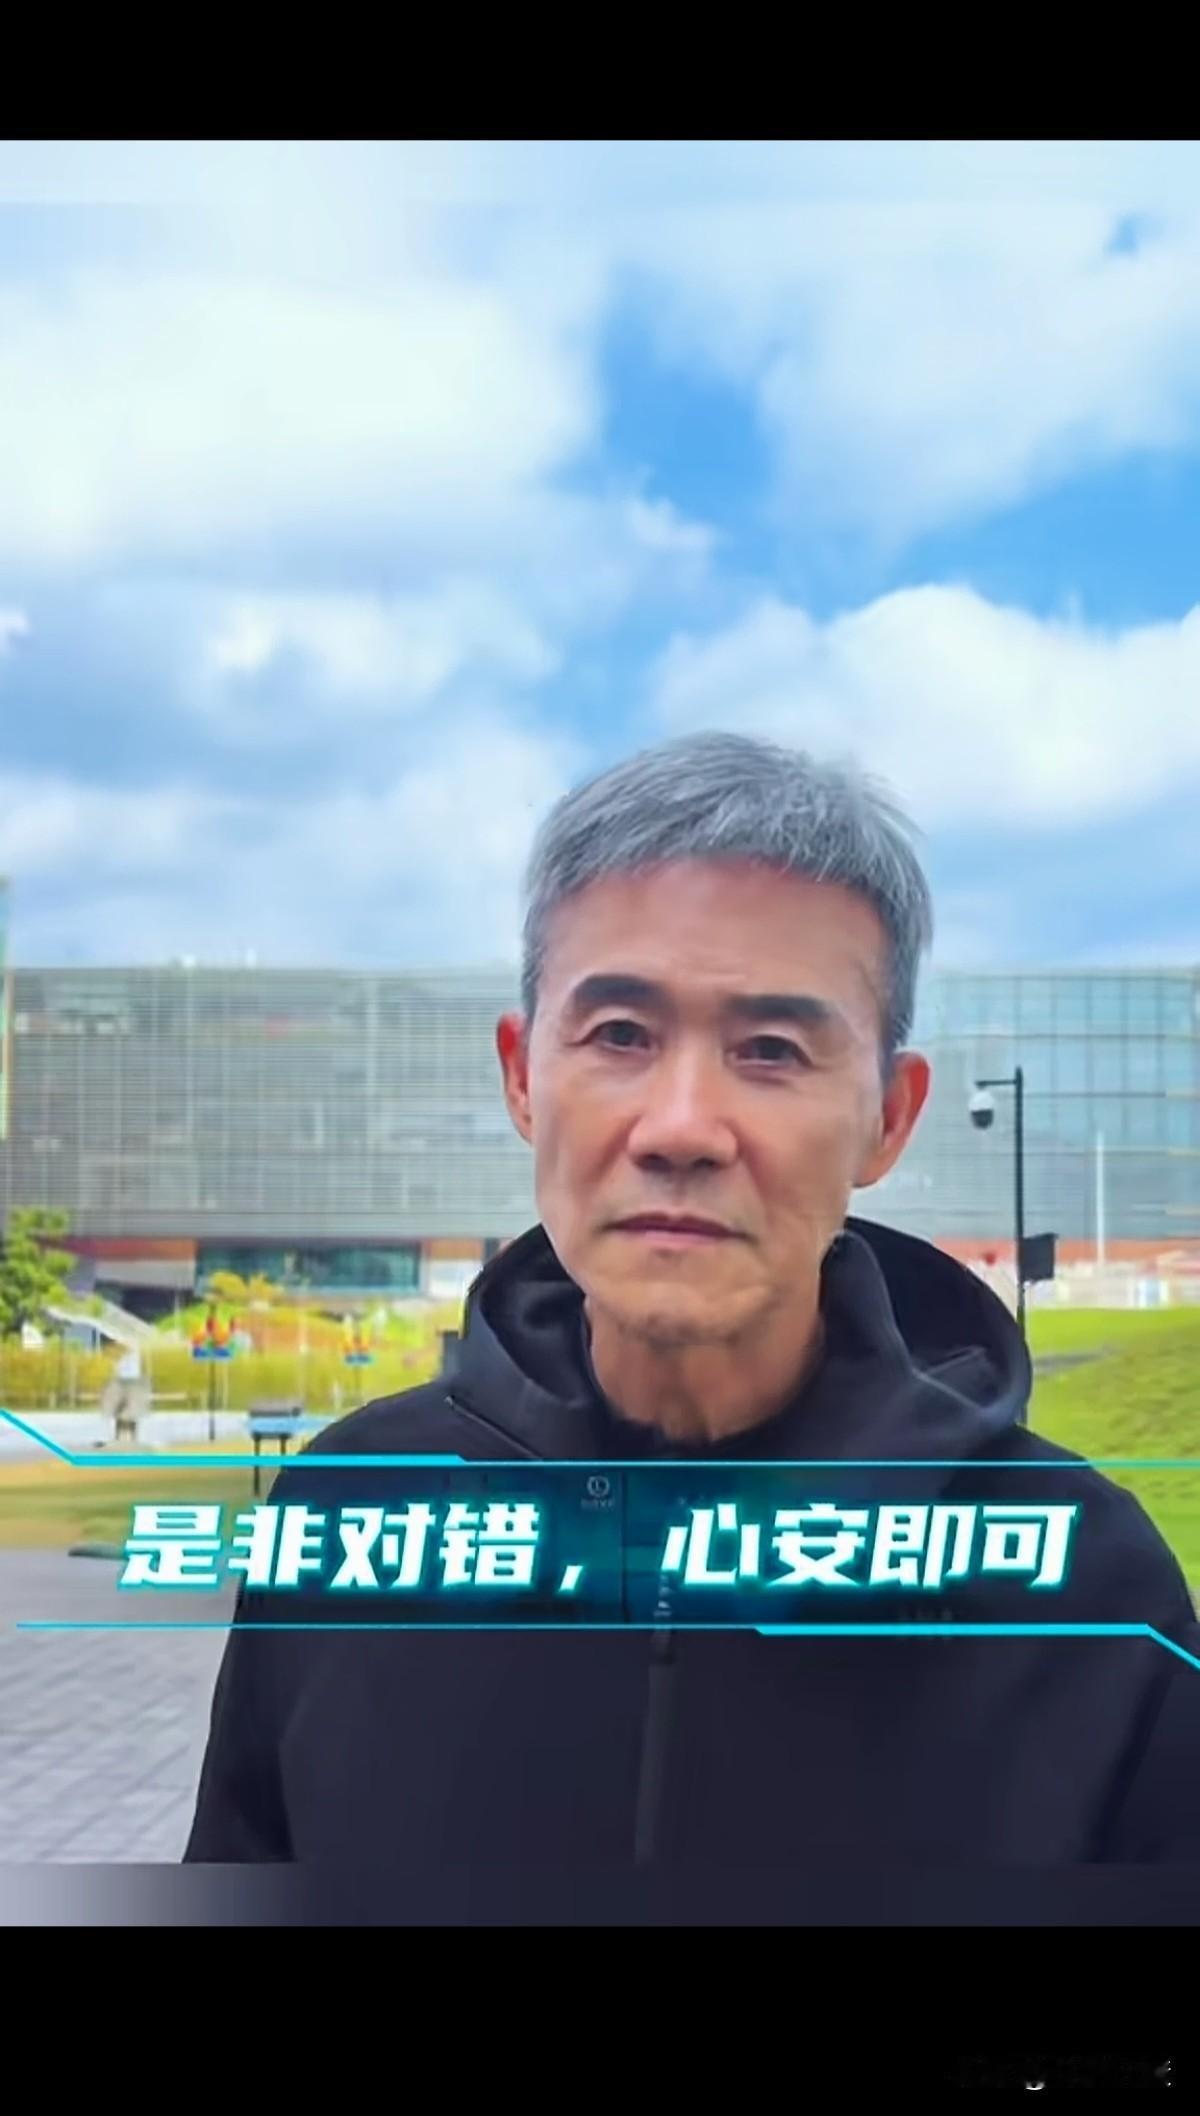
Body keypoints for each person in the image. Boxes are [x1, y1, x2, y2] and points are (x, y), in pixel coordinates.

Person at [184, 731, 1200, 1884]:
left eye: (771, 1048)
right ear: (521, 1075)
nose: (680, 1128)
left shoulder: (1088, 1591)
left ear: (889, 1117)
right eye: (620, 1035)